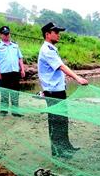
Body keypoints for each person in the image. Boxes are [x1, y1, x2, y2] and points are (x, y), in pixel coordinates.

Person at [38, 22, 88, 157]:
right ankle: (57, 151)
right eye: (55, 32)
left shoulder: (52, 48)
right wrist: (78, 78)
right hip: (52, 92)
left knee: (63, 119)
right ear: (47, 34)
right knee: (56, 120)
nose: (58, 34)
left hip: (58, 90)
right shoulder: (46, 50)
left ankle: (66, 146)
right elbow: (61, 66)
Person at [0, 26, 25, 116]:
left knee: (15, 93)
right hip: (4, 73)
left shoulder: (15, 45)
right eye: (4, 34)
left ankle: (15, 111)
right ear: (1, 35)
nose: (7, 35)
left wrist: (22, 69)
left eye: (8, 33)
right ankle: (3, 111)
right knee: (4, 93)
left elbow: (20, 58)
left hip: (15, 72)